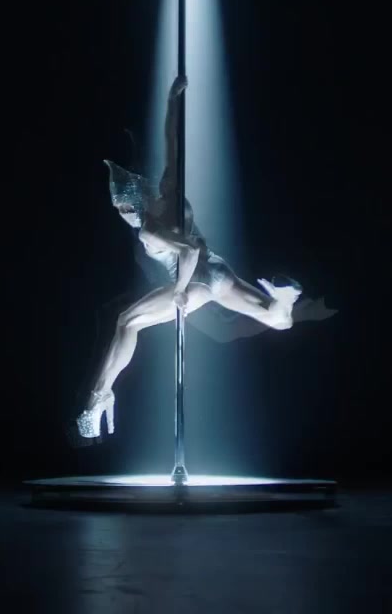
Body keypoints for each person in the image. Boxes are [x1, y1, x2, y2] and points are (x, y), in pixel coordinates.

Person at [76, 76, 304, 439]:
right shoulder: (170, 190)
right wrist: (172, 101)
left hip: (197, 282)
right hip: (219, 271)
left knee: (126, 322)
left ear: (134, 204)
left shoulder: (149, 230)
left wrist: (181, 289)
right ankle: (284, 301)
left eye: (123, 208)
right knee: (278, 321)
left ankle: (100, 395)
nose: (122, 214)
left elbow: (190, 250)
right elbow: (173, 143)